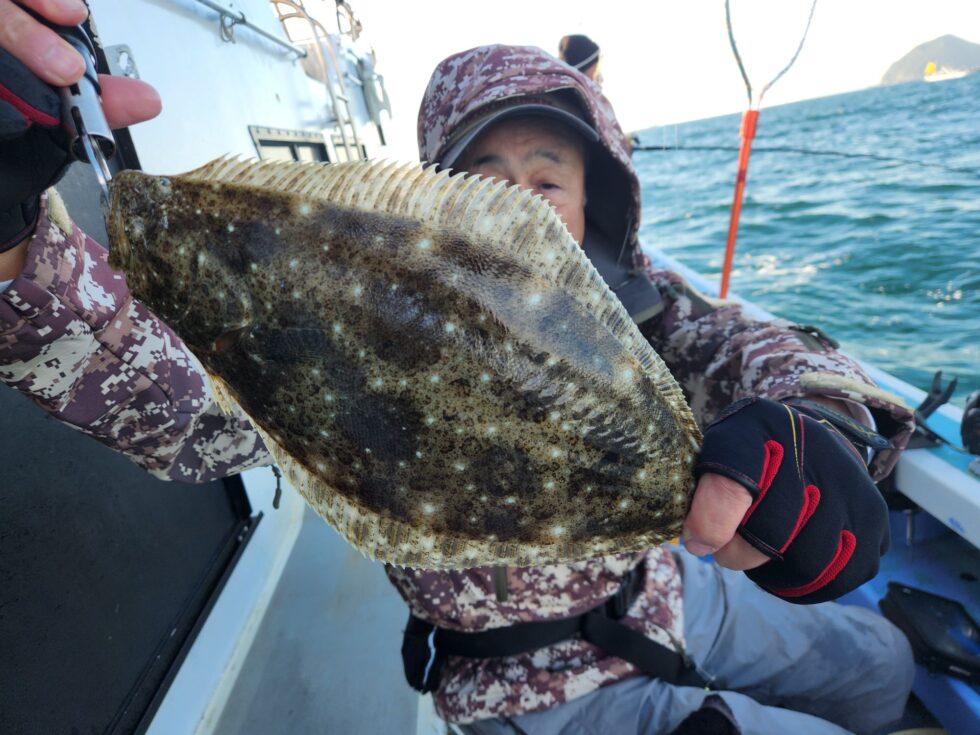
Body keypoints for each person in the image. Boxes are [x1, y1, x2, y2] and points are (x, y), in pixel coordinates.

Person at [0, 5, 915, 733]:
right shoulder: (363, 321)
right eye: (483, 178)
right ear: (440, 199)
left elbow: (755, 352)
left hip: (674, 588)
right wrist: (16, 253)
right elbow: (196, 413)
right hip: (531, 680)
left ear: (592, 194)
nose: (518, 203)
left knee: (885, 666)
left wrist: (826, 425)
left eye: (548, 176)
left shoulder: (640, 302)